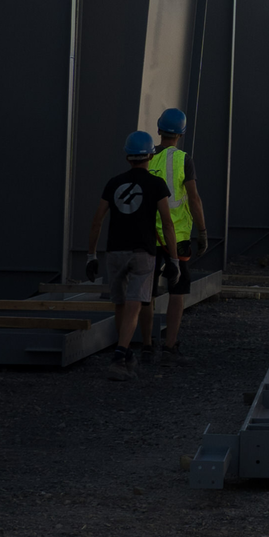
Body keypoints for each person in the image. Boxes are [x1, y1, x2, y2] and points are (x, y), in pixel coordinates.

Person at [83, 132, 179, 378]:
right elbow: (167, 224)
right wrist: (174, 259)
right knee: (135, 303)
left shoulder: (114, 183)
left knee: (120, 303)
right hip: (143, 253)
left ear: (127, 157)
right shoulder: (157, 185)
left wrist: (91, 255)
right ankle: (119, 357)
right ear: (150, 154)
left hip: (115, 252)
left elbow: (97, 221)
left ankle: (125, 355)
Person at [137, 106, 208, 356]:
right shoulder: (183, 160)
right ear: (181, 134)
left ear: (158, 129)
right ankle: (169, 346)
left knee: (147, 290)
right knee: (177, 290)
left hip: (148, 236)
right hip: (177, 238)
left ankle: (146, 344)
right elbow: (194, 198)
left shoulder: (145, 157)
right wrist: (202, 231)